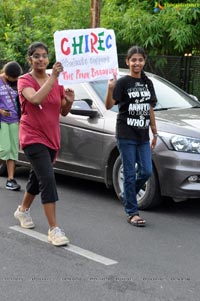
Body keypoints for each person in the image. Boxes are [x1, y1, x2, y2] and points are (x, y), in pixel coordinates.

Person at [14, 42, 75, 246]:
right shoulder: (25, 80)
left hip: (52, 138)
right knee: (47, 178)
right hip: (32, 137)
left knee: (36, 177)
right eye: (36, 56)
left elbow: (62, 112)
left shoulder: (54, 83)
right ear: (29, 59)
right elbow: (35, 99)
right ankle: (54, 230)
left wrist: (69, 101)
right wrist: (54, 77)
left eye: (44, 55)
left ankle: (22, 211)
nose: (41, 59)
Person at [105, 46, 158, 227]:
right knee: (129, 172)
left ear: (144, 61)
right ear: (127, 62)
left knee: (146, 171)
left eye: (140, 60)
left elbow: (150, 108)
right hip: (125, 133)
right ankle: (132, 212)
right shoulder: (122, 83)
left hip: (143, 135)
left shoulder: (147, 82)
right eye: (133, 60)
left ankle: (127, 195)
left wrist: (155, 132)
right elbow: (108, 105)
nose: (137, 63)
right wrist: (110, 88)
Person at [0, 61, 23, 191]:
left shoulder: (17, 82)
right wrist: (1, 111)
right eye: (13, 78)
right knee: (4, 149)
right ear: (7, 74)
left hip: (14, 119)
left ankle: (10, 179)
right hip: (2, 120)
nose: (15, 80)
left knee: (13, 151)